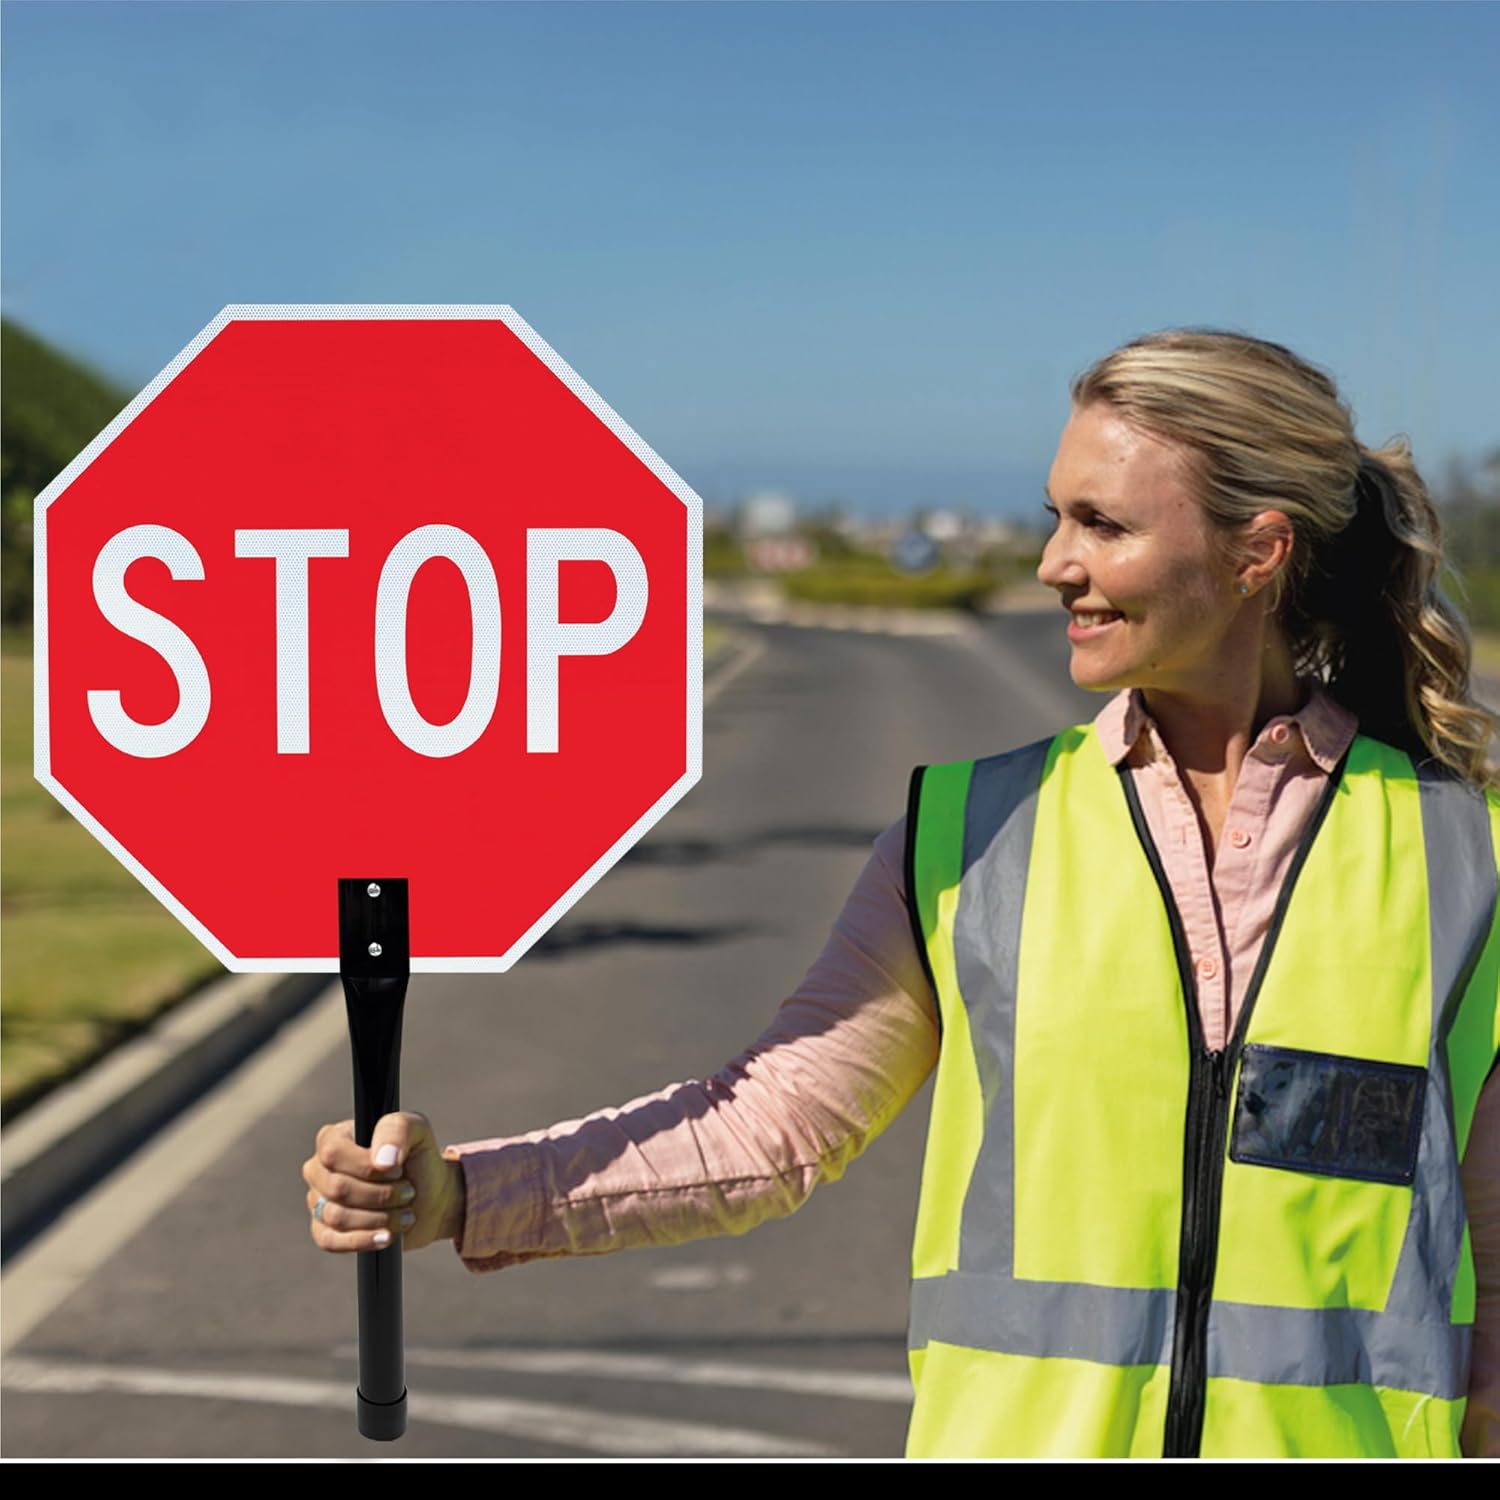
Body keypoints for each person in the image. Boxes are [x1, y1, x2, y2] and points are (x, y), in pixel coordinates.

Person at [303, 329, 1500, 1458]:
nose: (1053, 564)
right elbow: (766, 1130)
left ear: (1259, 551)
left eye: (1104, 524)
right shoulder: (967, 837)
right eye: (1055, 518)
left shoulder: (1469, 857)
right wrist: (463, 1194)